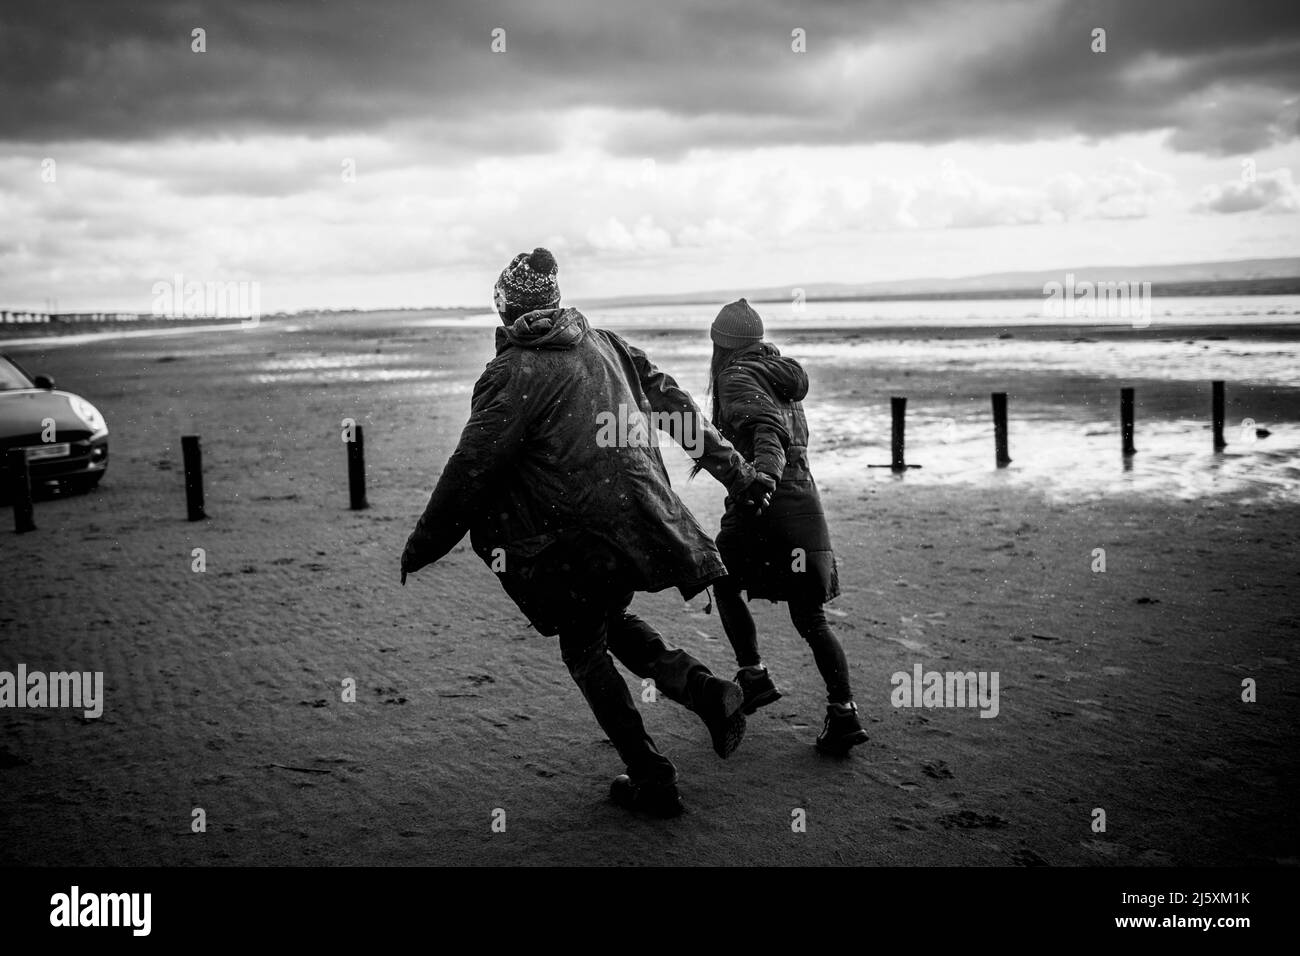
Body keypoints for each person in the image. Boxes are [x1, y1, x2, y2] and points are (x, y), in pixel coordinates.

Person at [400, 248, 772, 817]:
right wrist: (738, 475)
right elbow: (676, 407)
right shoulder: (605, 343)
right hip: (638, 522)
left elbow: (472, 467)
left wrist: (425, 542)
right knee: (605, 620)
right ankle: (705, 691)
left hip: (572, 539)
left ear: (506, 312)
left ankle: (652, 776)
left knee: (583, 646)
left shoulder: (514, 372)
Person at [698, 298, 869, 755]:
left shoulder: (735, 377)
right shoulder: (780, 377)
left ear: (722, 345)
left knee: (721, 577)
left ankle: (752, 676)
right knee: (811, 617)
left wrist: (763, 479)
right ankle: (844, 714)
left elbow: (767, 433)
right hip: (805, 503)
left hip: (765, 503)